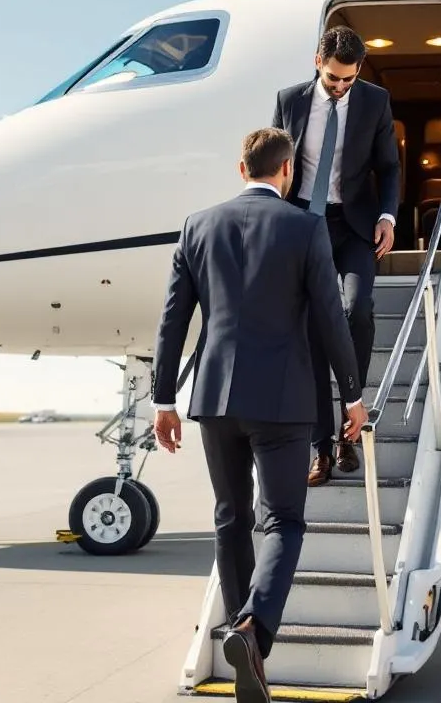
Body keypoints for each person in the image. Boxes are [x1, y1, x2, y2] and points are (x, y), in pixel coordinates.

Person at [151, 127, 369, 703]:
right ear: (288, 171)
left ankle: (241, 637)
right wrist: (352, 394)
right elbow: (330, 316)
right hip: (283, 400)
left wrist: (163, 400)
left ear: (239, 167)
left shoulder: (198, 225)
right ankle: (253, 628)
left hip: (215, 398)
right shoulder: (305, 226)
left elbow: (174, 319)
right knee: (284, 522)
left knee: (230, 517)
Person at [270, 24, 401, 486]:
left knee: (356, 310)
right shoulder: (289, 101)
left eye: (349, 78)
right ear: (317, 63)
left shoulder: (374, 101)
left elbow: (388, 166)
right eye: (333, 79)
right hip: (303, 222)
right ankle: (319, 449)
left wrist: (388, 216)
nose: (341, 87)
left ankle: (351, 419)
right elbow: (276, 165)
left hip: (356, 225)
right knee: (307, 335)